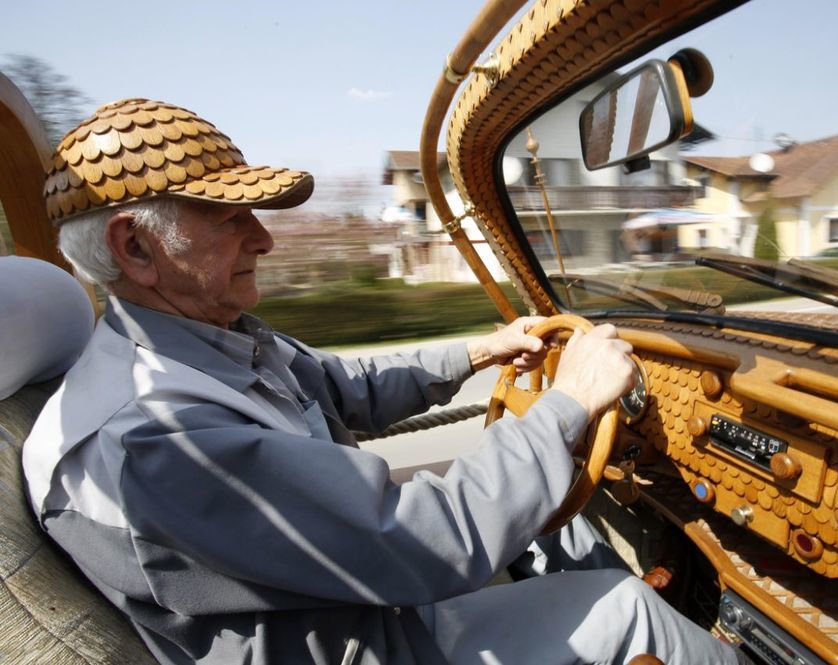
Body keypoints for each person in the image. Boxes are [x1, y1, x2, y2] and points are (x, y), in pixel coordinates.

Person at [23, 98, 741, 664]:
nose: (264, 237)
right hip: (370, 640)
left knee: (543, 524)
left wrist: (483, 352)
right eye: (230, 215)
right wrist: (569, 402)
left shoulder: (205, 344)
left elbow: (338, 386)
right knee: (630, 611)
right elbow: (421, 540)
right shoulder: (156, 438)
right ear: (136, 246)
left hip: (357, 606)